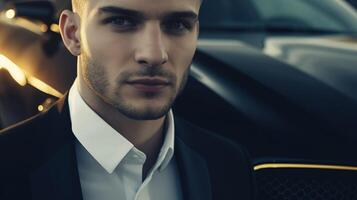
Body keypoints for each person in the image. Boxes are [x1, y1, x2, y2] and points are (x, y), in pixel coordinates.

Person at [0, 0, 255, 199]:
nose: (154, 54)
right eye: (122, 21)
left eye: (178, 25)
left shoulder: (228, 165)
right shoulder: (7, 165)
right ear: (73, 34)